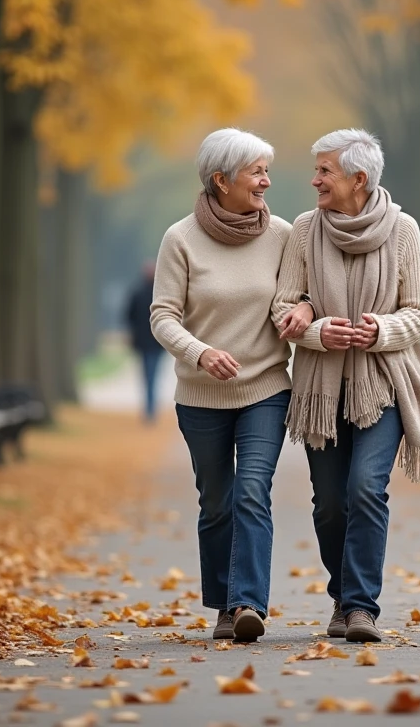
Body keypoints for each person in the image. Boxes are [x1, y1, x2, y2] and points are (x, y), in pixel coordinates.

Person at [151, 127, 313, 643]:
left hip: (265, 386)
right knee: (216, 499)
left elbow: (298, 296)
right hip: (200, 397)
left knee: (251, 490)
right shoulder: (180, 239)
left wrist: (305, 309)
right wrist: (199, 351)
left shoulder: (284, 235)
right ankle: (223, 603)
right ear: (221, 180)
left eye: (267, 170)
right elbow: (163, 316)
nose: (266, 180)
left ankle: (248, 603)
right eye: (256, 171)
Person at [273, 128, 420, 643]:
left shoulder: (404, 231)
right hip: (322, 390)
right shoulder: (303, 230)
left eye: (325, 170)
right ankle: (343, 594)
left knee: (366, 489)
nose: (314, 179)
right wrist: (319, 330)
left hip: (383, 385)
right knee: (330, 504)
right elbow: (284, 304)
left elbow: (419, 313)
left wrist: (379, 331)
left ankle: (361, 607)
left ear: (358, 179)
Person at [126, 261, 165, 423]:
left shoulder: (137, 293)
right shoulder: (159, 295)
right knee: (152, 376)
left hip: (145, 343)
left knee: (147, 377)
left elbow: (128, 317)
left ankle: (149, 410)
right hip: (156, 342)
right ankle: (150, 410)